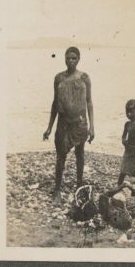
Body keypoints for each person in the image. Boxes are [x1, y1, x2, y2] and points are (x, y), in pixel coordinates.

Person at [43, 46, 94, 204]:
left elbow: (89, 102)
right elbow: (54, 103)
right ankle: (57, 190)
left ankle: (79, 184)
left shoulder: (84, 77)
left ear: (78, 59)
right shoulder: (59, 78)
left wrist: (92, 126)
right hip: (63, 123)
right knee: (61, 156)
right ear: (64, 59)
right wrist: (49, 127)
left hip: (79, 122)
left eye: (74, 58)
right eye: (68, 58)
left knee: (80, 154)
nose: (71, 61)